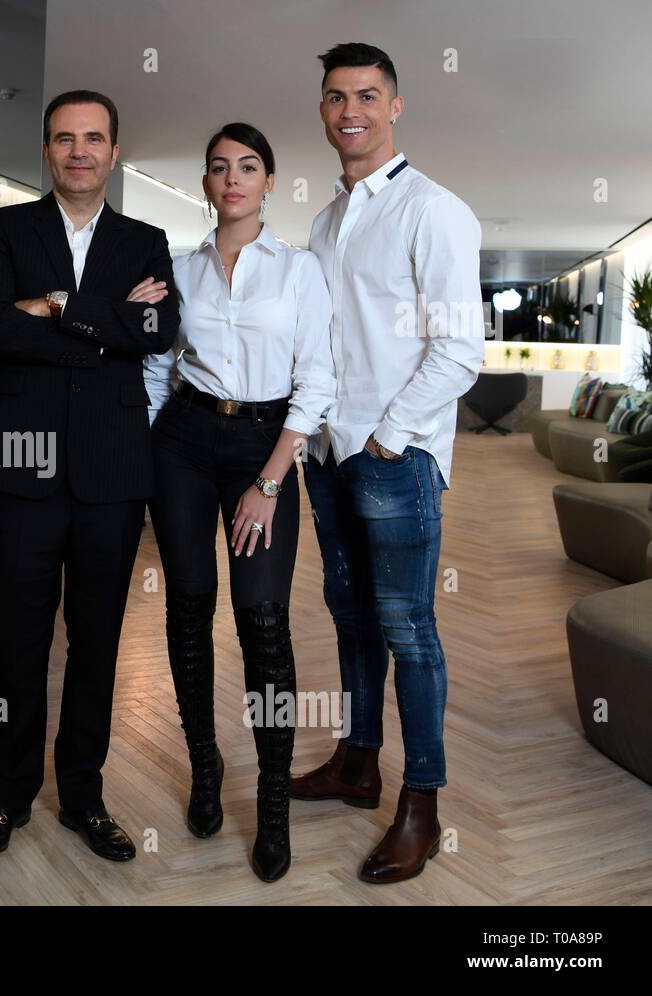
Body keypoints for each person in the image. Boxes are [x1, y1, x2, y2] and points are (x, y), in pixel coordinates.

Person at [0, 90, 180, 862]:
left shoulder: (146, 239)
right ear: (47, 151)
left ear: (114, 151)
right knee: (16, 644)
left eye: (93, 138)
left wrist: (51, 308)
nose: (79, 151)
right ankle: (8, 794)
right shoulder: (4, 226)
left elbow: (158, 332)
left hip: (111, 477)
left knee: (96, 644)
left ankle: (83, 796)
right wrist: (99, 321)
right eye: (64, 138)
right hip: (18, 470)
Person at [291, 43, 484, 884]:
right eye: (336, 97)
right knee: (352, 618)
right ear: (324, 108)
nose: (350, 111)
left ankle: (424, 804)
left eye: (367, 95)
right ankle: (359, 762)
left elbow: (460, 350)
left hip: (391, 459)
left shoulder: (435, 211)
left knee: (410, 630)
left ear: (395, 106)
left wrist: (390, 435)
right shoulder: (327, 221)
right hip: (331, 456)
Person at [143, 123, 334, 881]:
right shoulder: (179, 270)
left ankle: (274, 804)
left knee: (262, 621)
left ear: (269, 181)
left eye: (247, 167)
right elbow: (159, 364)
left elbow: (315, 381)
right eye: (219, 167)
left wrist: (269, 481)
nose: (232, 179)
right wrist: (151, 435)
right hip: (185, 441)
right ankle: (204, 765)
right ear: (206, 183)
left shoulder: (300, 272)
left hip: (266, 446)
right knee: (188, 606)